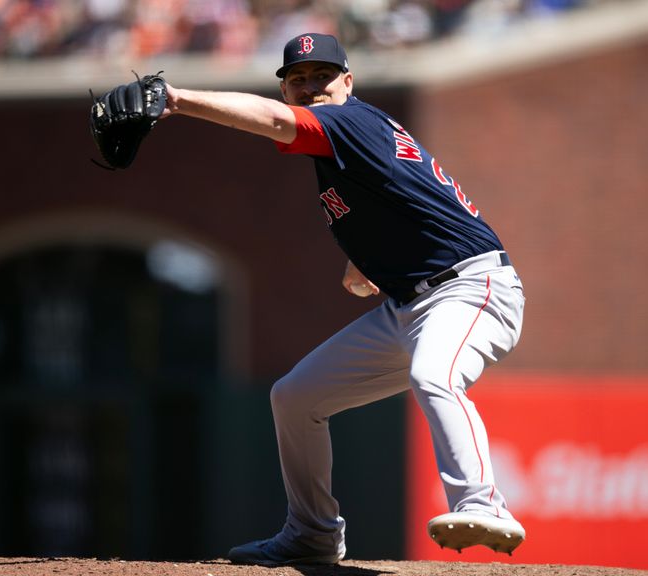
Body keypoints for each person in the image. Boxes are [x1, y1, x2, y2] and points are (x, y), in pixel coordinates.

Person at [161, 32, 526, 566]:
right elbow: (399, 201)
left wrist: (177, 99)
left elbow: (269, 120)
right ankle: (312, 534)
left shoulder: (351, 121)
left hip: (469, 288)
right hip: (407, 305)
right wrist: (364, 262)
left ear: (347, 83)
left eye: (321, 76)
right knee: (295, 397)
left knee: (435, 375)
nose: (309, 87)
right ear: (288, 88)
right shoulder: (345, 148)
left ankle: (483, 503)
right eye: (298, 79)